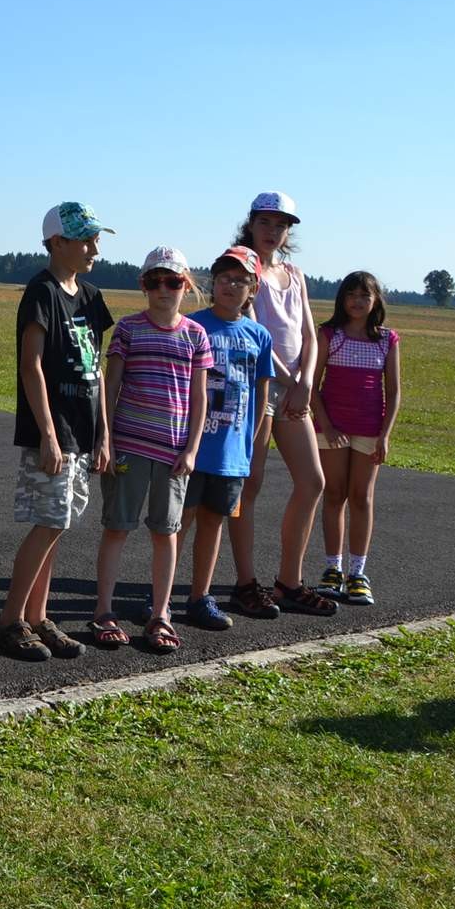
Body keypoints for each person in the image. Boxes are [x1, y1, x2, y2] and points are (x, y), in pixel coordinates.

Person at [0, 202, 114, 662]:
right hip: (56, 430)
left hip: (83, 430)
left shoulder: (91, 296)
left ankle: (38, 616)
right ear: (57, 243)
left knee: (59, 524)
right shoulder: (41, 293)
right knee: (48, 523)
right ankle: (9, 619)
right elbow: (32, 366)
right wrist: (47, 433)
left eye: (96, 240)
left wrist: (103, 434)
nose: (94, 249)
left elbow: (96, 369)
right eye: (86, 241)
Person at [92, 248, 212, 655]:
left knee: (167, 532)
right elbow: (111, 386)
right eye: (154, 281)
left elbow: (199, 398)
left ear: (186, 285)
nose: (163, 289)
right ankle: (103, 611)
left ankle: (161, 614)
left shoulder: (196, 335)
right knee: (117, 526)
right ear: (143, 285)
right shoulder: (128, 329)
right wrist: (106, 439)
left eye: (173, 281)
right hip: (128, 446)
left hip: (173, 452)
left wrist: (192, 449)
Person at [237, 192, 337, 618]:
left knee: (312, 481)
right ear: (251, 223)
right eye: (265, 222)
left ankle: (289, 581)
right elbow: (256, 334)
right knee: (249, 485)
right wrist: (293, 381)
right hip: (260, 386)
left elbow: (309, 335)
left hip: (295, 391)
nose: (272, 230)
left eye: (281, 224)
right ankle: (245, 583)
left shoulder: (294, 274)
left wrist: (307, 381)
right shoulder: (243, 267)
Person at [179, 247, 275, 630]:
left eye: (240, 281)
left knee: (213, 522)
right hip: (190, 446)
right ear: (213, 283)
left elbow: (262, 393)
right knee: (179, 521)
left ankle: (200, 596)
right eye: (223, 278)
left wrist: (249, 441)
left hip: (231, 450)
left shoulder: (259, 336)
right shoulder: (192, 326)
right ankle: (160, 596)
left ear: (253, 290)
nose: (230, 286)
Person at [311, 270, 403, 606]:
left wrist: (385, 435)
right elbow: (312, 386)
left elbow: (393, 392)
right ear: (342, 299)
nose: (357, 301)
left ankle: (358, 573)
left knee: (361, 497)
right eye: (351, 295)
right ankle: (332, 569)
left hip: (369, 429)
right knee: (334, 495)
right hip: (332, 429)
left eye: (365, 295)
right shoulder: (329, 334)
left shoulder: (387, 339)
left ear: (376, 300)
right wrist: (326, 425)